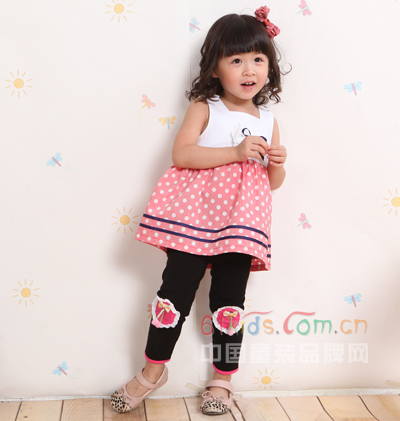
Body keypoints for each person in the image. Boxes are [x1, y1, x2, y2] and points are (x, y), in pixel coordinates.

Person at [111, 5, 288, 416]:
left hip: (240, 226)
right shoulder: (205, 106)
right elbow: (183, 154)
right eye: (236, 60)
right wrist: (235, 152)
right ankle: (153, 371)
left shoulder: (268, 119)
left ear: (270, 67)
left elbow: (272, 183)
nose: (249, 69)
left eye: (258, 59)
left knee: (229, 303)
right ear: (215, 68)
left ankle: (222, 379)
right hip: (193, 221)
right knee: (173, 295)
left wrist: (277, 165)